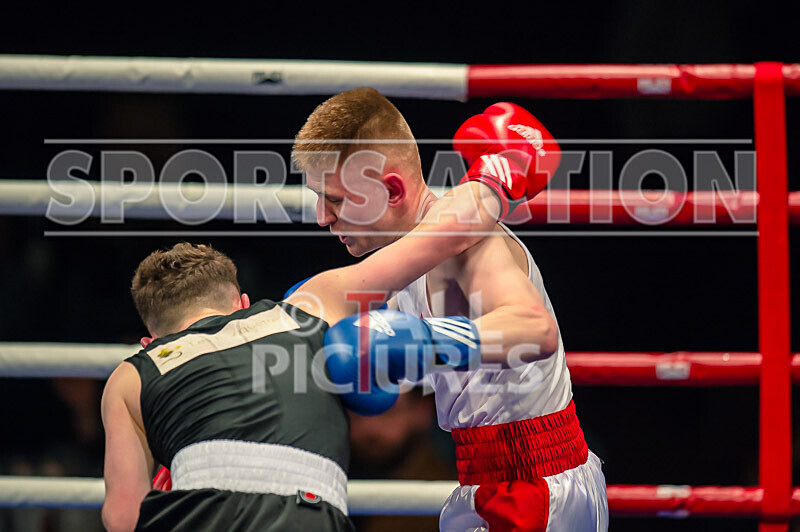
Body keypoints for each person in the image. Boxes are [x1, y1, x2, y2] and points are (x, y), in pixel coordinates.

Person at [101, 143, 545, 530]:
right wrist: (494, 174)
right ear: (244, 305)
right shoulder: (304, 309)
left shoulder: (130, 376)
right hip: (309, 517)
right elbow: (443, 235)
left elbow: (123, 519)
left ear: (149, 342)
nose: (321, 217)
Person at [293, 88, 609, 531]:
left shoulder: (471, 245)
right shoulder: (405, 262)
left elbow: (534, 329)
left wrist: (421, 341)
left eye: (337, 199)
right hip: (489, 479)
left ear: (391, 189)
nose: (323, 217)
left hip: (533, 484)